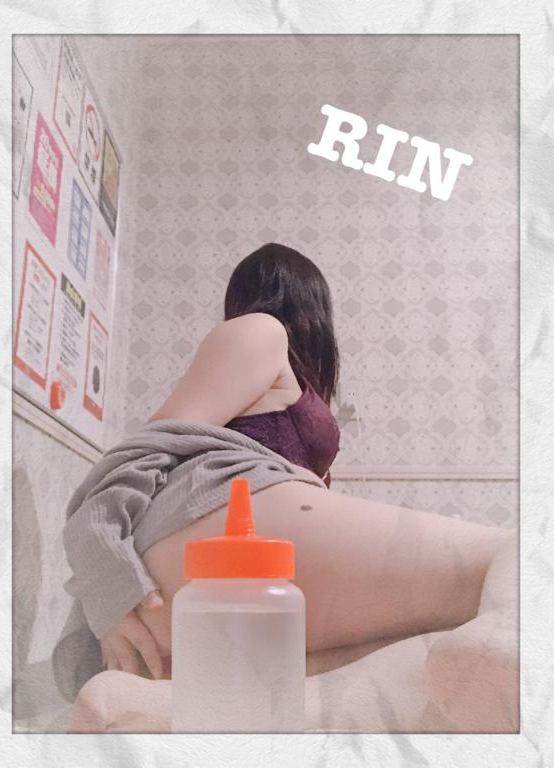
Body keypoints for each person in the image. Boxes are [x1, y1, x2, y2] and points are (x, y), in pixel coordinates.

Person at [68, 242, 517, 732]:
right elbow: (142, 450)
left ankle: (143, 708)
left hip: (196, 585)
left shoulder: (279, 366)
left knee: (442, 636)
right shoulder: (261, 329)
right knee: (518, 555)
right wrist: (107, 579)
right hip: (210, 555)